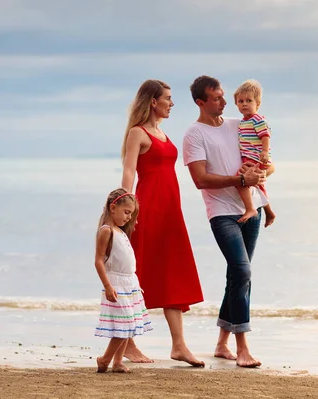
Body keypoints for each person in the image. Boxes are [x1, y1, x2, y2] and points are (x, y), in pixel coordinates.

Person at [182, 75, 274, 368]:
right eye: (217, 98)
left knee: (237, 276)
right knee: (242, 271)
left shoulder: (239, 124)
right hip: (222, 212)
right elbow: (200, 180)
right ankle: (243, 347)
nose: (225, 102)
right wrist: (239, 179)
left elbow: (266, 161)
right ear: (201, 102)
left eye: (224, 96)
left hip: (253, 210)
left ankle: (222, 343)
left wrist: (265, 170)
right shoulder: (194, 134)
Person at [120, 79, 205, 367]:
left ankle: (179, 346)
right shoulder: (137, 133)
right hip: (147, 210)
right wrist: (125, 207)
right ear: (152, 101)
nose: (171, 103)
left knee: (173, 272)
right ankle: (128, 344)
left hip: (170, 211)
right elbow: (129, 171)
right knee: (137, 274)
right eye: (167, 98)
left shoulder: (163, 133)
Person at [94, 188, 152, 373]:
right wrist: (107, 286)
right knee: (124, 324)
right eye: (126, 212)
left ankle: (117, 362)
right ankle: (104, 359)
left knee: (130, 324)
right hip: (116, 284)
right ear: (113, 208)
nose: (128, 217)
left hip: (129, 283)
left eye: (131, 214)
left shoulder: (120, 231)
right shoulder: (106, 231)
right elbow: (98, 261)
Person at [234, 79, 276, 226]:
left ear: (257, 104)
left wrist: (264, 152)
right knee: (258, 186)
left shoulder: (257, 119)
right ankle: (269, 212)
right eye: (240, 101)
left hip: (256, 158)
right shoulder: (243, 122)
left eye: (248, 100)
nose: (244, 104)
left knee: (241, 181)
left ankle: (250, 208)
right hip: (250, 158)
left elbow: (265, 135)